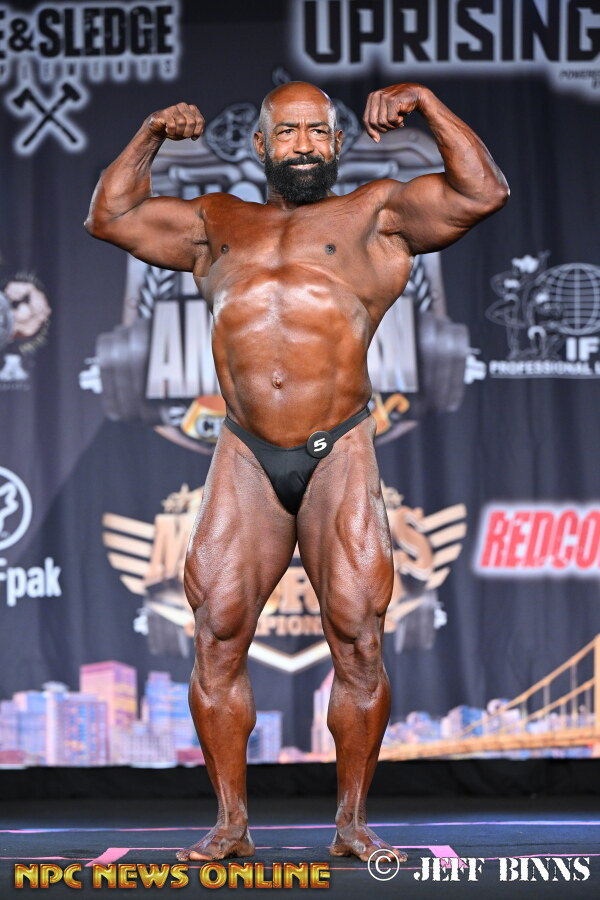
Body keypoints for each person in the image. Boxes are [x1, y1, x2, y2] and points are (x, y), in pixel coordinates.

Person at [85, 81, 508, 863]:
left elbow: (483, 191)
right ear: (262, 144)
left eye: (318, 132)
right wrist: (149, 134)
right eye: (289, 133)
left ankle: (351, 823)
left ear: (339, 143)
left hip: (337, 447)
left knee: (357, 637)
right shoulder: (216, 222)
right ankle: (230, 824)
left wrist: (426, 102)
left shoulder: (377, 214)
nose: (305, 145)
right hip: (246, 451)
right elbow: (109, 216)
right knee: (216, 633)